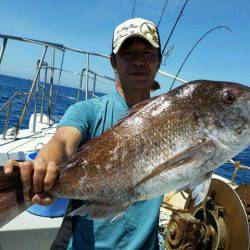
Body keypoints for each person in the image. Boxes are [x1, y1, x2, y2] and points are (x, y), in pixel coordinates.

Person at [4, 17, 163, 249]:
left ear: (159, 60)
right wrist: (44, 167)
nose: (138, 61)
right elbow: (62, 142)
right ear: (113, 62)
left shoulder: (170, 117)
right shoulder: (87, 111)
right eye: (128, 53)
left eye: (147, 52)